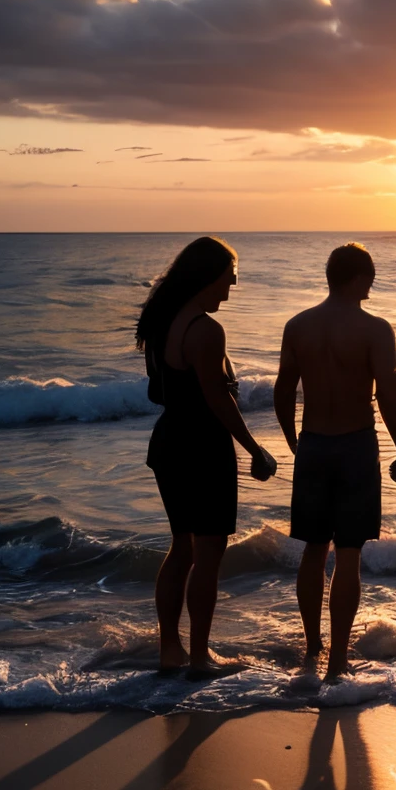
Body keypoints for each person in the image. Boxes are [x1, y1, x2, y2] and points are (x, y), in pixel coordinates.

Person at [137, 236, 277, 677]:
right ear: (208, 276)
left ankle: (169, 650)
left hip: (168, 443)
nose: (230, 290)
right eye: (228, 280)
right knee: (209, 551)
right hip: (201, 447)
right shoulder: (205, 330)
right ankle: (200, 658)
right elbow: (219, 401)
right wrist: (254, 448)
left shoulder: (162, 323)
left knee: (181, 548)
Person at [274, 242, 396, 681]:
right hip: (355, 445)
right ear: (358, 278)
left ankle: (312, 646)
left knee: (314, 550)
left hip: (313, 444)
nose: (371, 287)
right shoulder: (375, 329)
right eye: (369, 279)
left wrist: (292, 438)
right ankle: (337, 660)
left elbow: (283, 389)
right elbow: (389, 393)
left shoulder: (298, 326)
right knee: (348, 554)